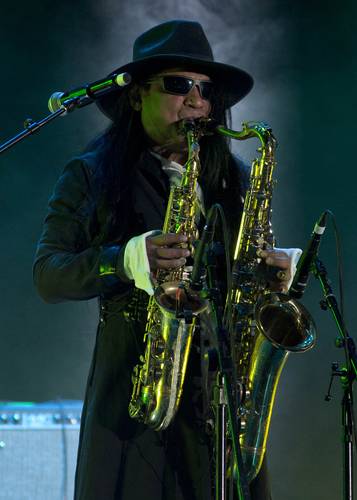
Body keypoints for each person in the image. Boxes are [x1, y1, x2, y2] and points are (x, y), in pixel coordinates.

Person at [34, 20, 299, 500]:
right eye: (179, 85)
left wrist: (268, 278)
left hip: (220, 410)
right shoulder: (92, 174)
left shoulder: (234, 178)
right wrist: (128, 259)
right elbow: (48, 275)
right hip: (136, 411)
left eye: (205, 90)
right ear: (136, 96)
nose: (197, 100)